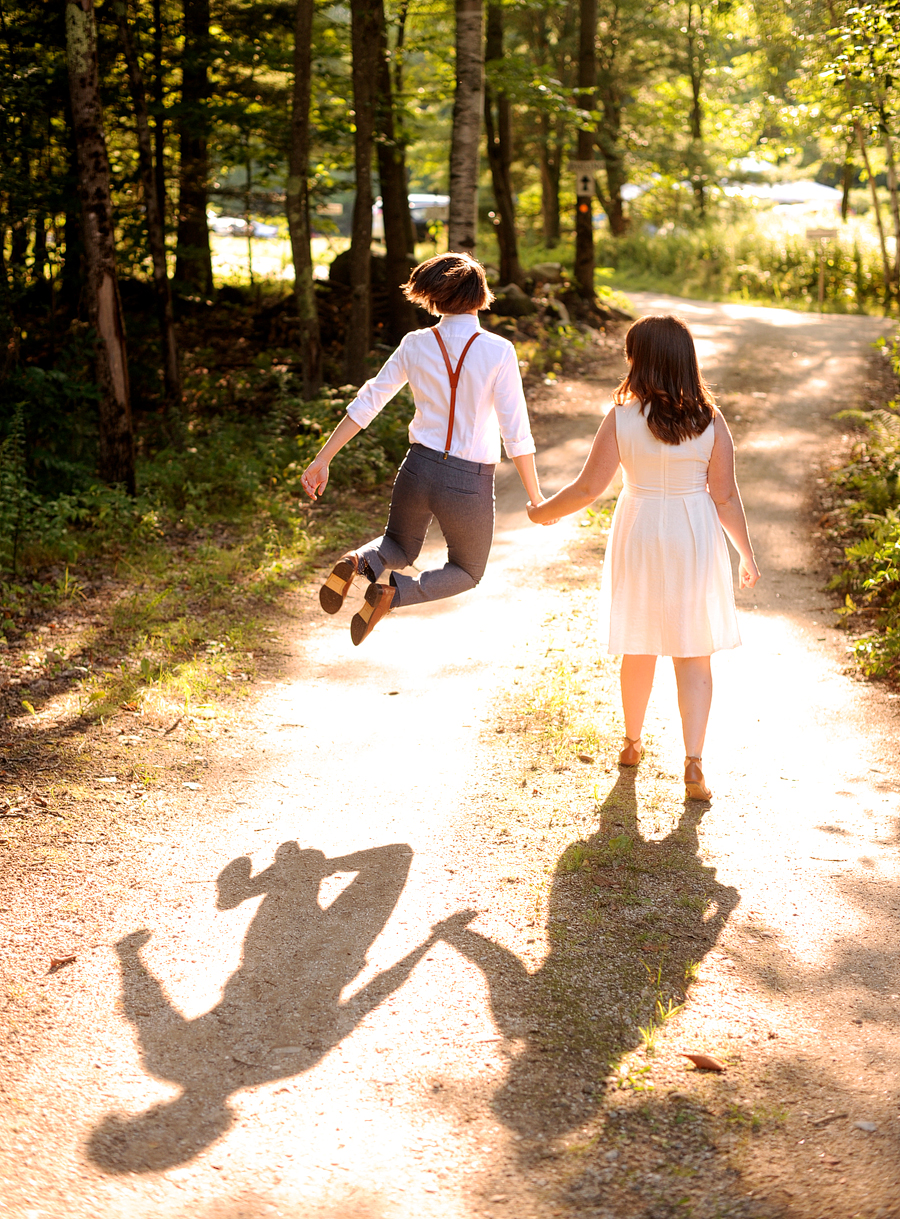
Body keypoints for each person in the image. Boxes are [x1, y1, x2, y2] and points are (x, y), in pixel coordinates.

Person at [527, 313, 760, 801]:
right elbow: (725, 497)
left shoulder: (622, 417)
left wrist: (543, 512)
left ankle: (632, 742)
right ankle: (694, 762)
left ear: (641, 361)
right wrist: (745, 554)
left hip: (639, 529)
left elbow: (589, 487)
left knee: (639, 642)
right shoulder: (710, 421)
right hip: (692, 532)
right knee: (694, 651)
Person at [301, 252, 543, 645]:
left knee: (397, 544)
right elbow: (516, 432)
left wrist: (322, 459)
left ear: (434, 297)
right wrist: (535, 497)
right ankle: (392, 593)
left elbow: (368, 403)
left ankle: (358, 561)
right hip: (467, 480)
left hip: (417, 468)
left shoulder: (415, 343)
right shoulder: (498, 350)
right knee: (467, 570)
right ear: (480, 294)